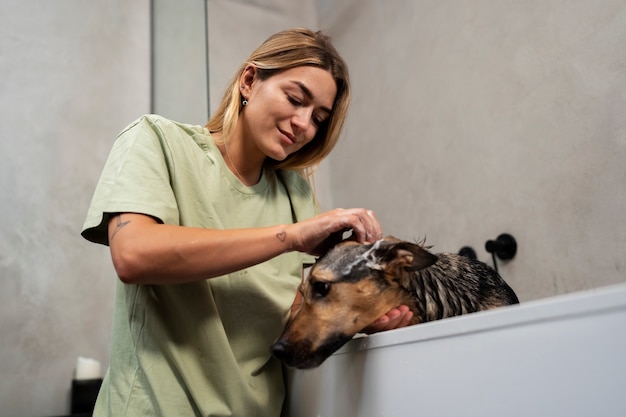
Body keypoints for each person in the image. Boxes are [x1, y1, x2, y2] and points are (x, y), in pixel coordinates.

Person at [81, 27, 413, 417]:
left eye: (319, 118)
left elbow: (293, 311)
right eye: (295, 99)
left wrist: (359, 318)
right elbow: (133, 255)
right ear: (250, 80)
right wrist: (289, 237)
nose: (304, 123)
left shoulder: (295, 194)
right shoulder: (156, 140)